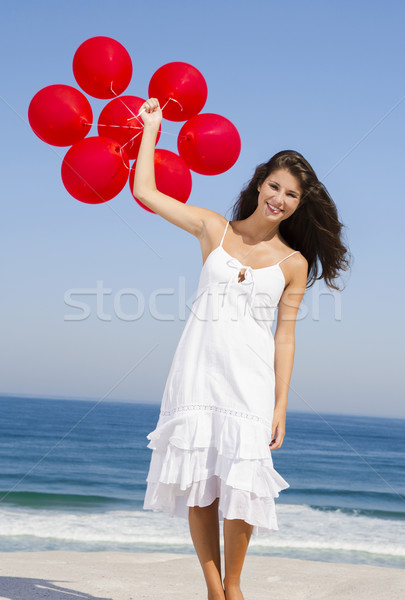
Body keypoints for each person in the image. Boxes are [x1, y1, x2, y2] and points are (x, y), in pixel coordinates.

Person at [134, 98, 351, 600]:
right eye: (275, 186)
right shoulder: (214, 229)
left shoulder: (293, 263)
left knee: (242, 489)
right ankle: (214, 590)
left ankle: (235, 586)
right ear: (259, 185)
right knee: (200, 483)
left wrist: (280, 404)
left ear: (299, 204)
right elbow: (145, 191)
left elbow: (285, 335)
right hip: (197, 372)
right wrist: (153, 129)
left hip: (250, 381)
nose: (279, 198)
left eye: (291, 195)